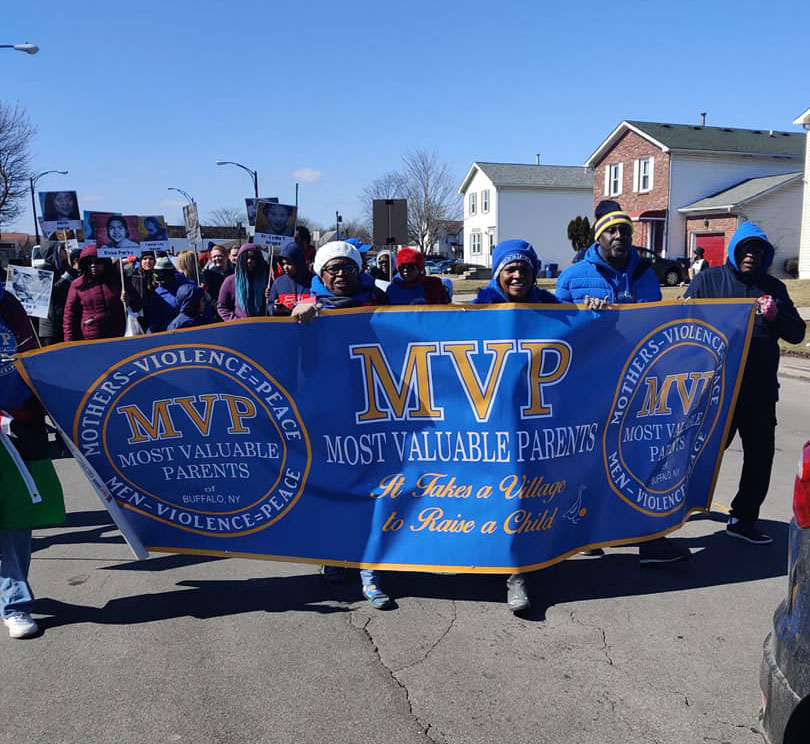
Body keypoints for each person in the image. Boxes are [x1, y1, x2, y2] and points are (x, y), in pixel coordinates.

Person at [556, 200, 691, 565]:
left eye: (625, 231)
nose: (619, 237)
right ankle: (587, 533)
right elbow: (552, 334)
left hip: (641, 386)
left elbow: (654, 327)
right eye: (612, 231)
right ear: (600, 236)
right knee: (590, 462)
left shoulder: (646, 274)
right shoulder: (572, 277)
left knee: (644, 460)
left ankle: (649, 539)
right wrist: (580, 314)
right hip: (591, 387)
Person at [685, 222, 806, 543]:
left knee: (759, 457)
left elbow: (797, 333)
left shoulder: (773, 289)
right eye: (746, 249)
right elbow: (681, 323)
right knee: (699, 453)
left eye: (758, 250)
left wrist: (775, 315)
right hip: (714, 393)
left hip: (760, 393)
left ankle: (743, 518)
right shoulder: (708, 281)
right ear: (735, 251)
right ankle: (680, 505)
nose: (752, 255)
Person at [292, 241, 390, 609]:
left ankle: (371, 569)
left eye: (347, 268)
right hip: (327, 415)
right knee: (333, 487)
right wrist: (297, 322)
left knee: (373, 491)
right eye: (332, 268)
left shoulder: (381, 302)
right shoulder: (307, 308)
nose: (340, 275)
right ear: (320, 273)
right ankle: (335, 557)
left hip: (375, 413)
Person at [0, 284, 51, 638]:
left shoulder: (8, 302)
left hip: (15, 424)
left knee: (15, 518)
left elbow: (30, 355)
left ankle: (15, 602)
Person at [63, 246, 140, 341]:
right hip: (91, 338)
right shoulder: (77, 284)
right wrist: (69, 341)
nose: (93, 265)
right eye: (89, 263)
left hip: (119, 335)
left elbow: (138, 305)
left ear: (105, 263)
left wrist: (129, 299)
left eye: (97, 262)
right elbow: (69, 315)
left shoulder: (119, 281)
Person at [37, 242, 77, 346]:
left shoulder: (63, 267)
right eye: (62, 249)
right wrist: (67, 276)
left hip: (63, 321)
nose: (65, 251)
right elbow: (49, 291)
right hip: (50, 324)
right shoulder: (43, 269)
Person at [217, 244, 269, 320]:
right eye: (246, 258)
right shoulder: (230, 281)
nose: (249, 261)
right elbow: (222, 307)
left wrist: (270, 297)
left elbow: (272, 306)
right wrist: (234, 321)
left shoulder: (266, 281)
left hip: (262, 326)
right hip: (240, 327)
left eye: (253, 258)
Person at [386, 247, 451, 305]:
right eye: (402, 267)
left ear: (419, 269)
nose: (405, 270)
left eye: (410, 267)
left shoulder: (432, 285)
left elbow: (445, 309)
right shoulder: (392, 288)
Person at [147, 256, 193, 333]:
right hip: (170, 334)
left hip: (192, 330)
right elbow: (154, 321)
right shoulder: (158, 294)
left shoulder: (189, 287)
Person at [267, 241, 314, 316]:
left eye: (289, 263)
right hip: (285, 325)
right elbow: (269, 306)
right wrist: (274, 308)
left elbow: (321, 303)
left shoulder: (314, 281)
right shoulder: (278, 283)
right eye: (283, 263)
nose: (285, 267)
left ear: (298, 262)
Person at [202, 246, 232, 319]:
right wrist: (215, 305)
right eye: (214, 257)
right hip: (216, 312)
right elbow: (206, 294)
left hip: (233, 309)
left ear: (226, 256)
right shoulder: (207, 274)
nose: (217, 259)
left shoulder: (234, 272)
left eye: (219, 256)